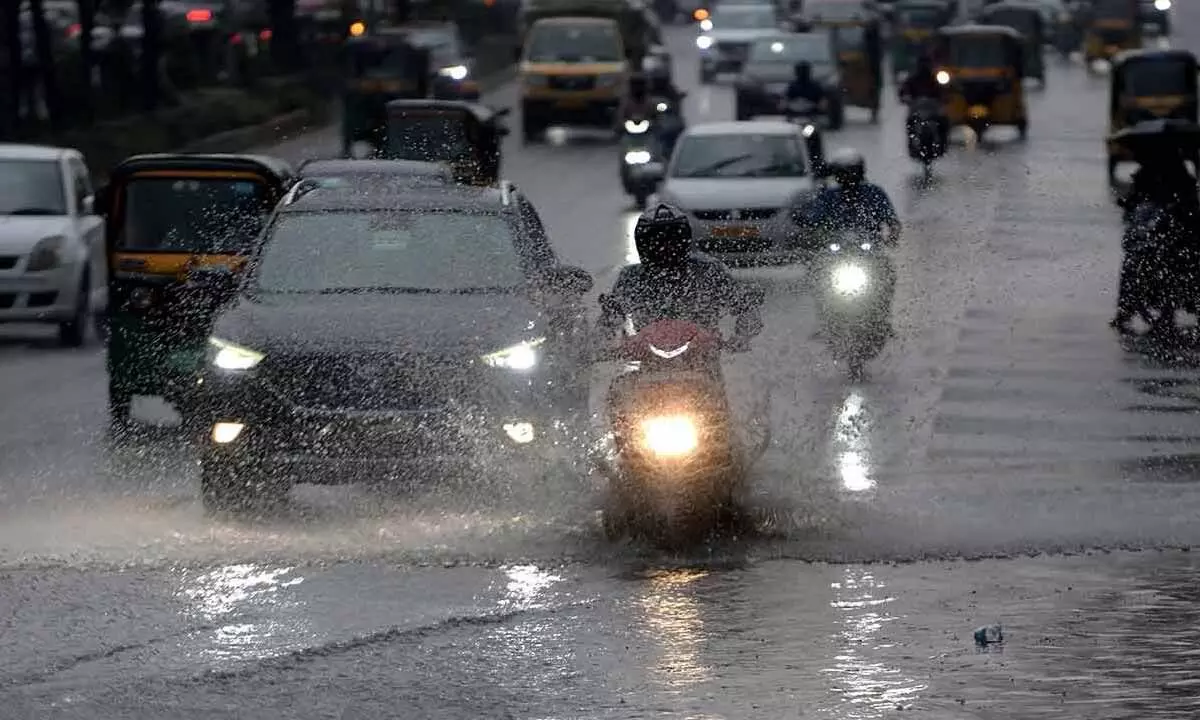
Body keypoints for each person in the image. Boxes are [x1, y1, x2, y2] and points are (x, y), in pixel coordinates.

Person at [596, 203, 763, 346]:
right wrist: (602, 345)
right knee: (620, 383)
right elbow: (610, 318)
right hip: (647, 362)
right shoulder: (631, 278)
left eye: (673, 240)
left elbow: (744, 307)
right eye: (656, 242)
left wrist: (740, 338)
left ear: (685, 241)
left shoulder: (709, 271)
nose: (666, 248)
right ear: (643, 245)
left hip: (704, 362)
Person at [1112, 148, 1200, 330]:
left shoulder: (1159, 174)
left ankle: (1125, 312)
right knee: (1131, 266)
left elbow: (1190, 206)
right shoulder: (1162, 174)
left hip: (1177, 232)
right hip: (1154, 232)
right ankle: (1125, 311)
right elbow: (1133, 201)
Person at [795, 148, 902, 240]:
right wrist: (801, 218)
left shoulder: (874, 193)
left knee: (885, 263)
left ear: (860, 172)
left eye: (852, 172)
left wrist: (892, 236)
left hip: (871, 246)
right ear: (836, 174)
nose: (848, 177)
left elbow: (890, 218)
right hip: (837, 248)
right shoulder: (829, 195)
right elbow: (815, 217)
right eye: (843, 173)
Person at [899, 55, 949, 146]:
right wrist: (906, 99)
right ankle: (912, 143)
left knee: (943, 121)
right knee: (910, 122)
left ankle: (943, 143)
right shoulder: (912, 79)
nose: (924, 67)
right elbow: (903, 92)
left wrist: (944, 99)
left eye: (926, 64)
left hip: (933, 108)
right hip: (917, 108)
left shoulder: (936, 79)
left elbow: (944, 91)